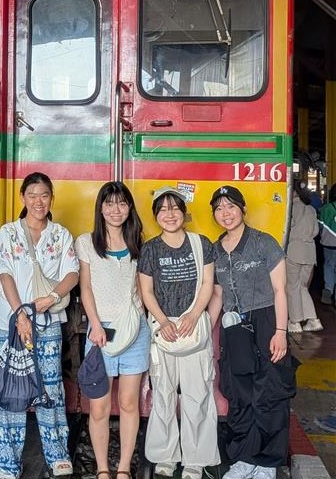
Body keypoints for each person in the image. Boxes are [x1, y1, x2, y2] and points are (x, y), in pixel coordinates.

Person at [0, 172, 79, 479]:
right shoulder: (9, 232)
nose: (38, 202)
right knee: (7, 387)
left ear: (52, 198)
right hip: (7, 322)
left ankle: (57, 454)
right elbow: (4, 273)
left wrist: (51, 298)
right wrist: (21, 314)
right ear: (23, 198)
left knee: (50, 387)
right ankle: (6, 462)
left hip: (47, 321)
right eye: (32, 195)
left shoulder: (61, 234)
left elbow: (72, 274)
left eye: (44, 195)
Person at [208, 185, 297, 479]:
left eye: (231, 206)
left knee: (270, 391)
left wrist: (280, 331)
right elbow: (218, 295)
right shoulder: (216, 250)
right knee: (239, 392)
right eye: (219, 208)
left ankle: (268, 462)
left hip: (266, 320)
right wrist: (205, 331)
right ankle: (245, 457)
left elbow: (280, 290)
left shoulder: (263, 243)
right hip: (234, 327)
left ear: (243, 209)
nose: (226, 213)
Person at [138, 186, 219, 479]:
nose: (169, 214)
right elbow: (146, 290)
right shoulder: (150, 249)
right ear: (156, 216)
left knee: (198, 394)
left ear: (184, 213)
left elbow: (208, 283)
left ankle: (196, 459)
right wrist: (163, 321)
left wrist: (194, 315)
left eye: (174, 208)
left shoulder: (201, 243)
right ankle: (165, 456)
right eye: (163, 209)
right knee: (163, 394)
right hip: (165, 330)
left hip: (193, 326)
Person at [75, 181, 150, 479]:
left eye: (121, 203)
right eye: (109, 203)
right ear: (100, 208)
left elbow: (143, 289)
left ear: (129, 207)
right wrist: (95, 325)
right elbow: (85, 287)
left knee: (129, 403)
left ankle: (123, 469)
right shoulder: (86, 242)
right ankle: (103, 469)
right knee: (99, 406)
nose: (115, 209)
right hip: (100, 331)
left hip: (135, 330)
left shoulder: (139, 243)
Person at [286, 181, 322, 332]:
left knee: (292, 287)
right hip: (309, 252)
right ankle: (313, 320)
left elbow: (286, 230)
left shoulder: (290, 208)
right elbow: (315, 232)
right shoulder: (311, 209)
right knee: (302, 287)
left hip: (294, 250)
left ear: (293, 192)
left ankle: (295, 322)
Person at [318, 183, 336, 304]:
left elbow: (319, 226)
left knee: (329, 265)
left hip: (329, 244)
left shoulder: (326, 208)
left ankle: (328, 290)